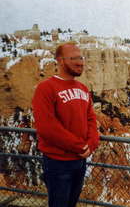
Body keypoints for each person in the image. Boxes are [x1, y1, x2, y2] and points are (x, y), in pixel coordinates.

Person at [32, 42, 99, 207]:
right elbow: (47, 127)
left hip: (80, 161)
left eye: (81, 57)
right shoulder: (45, 88)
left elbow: (91, 119)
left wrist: (91, 144)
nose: (80, 62)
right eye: (74, 58)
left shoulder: (83, 88)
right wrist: (80, 146)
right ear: (60, 61)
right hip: (58, 163)